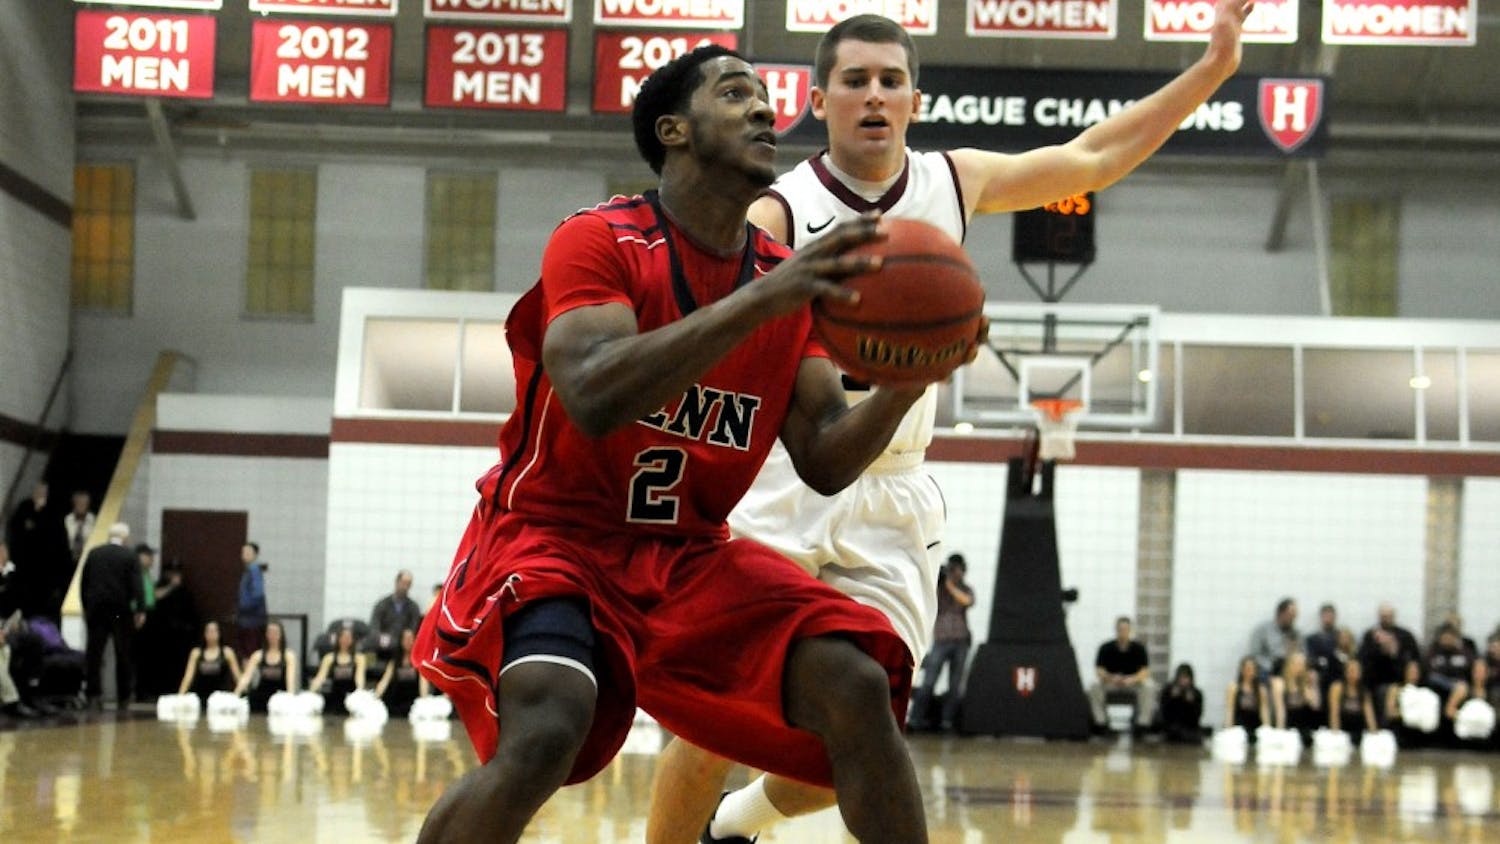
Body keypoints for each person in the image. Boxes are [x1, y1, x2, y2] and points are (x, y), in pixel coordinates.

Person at [651, 2, 1255, 840]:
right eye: (854, 80)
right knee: (708, 721)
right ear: (818, 102)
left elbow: (1094, 156)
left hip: (896, 492)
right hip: (783, 480)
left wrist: (1215, 68)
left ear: (915, 100)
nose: (874, 95)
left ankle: (737, 824)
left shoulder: (953, 182)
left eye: (891, 81)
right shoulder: (777, 214)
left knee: (864, 740)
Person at [411, 44, 965, 844]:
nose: (766, 110)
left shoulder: (782, 277)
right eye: (736, 92)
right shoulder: (599, 239)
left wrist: (913, 378)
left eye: (767, 98)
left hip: (687, 558)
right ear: (673, 129)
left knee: (855, 682)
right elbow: (595, 393)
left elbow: (827, 459)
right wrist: (762, 300)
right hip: (552, 540)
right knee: (547, 729)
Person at [908, 553, 975, 732]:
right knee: (928, 682)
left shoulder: (965, 589)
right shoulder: (938, 590)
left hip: (960, 641)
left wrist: (950, 584)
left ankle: (947, 722)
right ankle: (915, 720)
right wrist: (940, 581)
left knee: (955, 685)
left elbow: (966, 601)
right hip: (941, 641)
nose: (955, 572)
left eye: (957, 569)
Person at [80, 522, 143, 709]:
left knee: (94, 654)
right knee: (123, 653)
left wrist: (86, 607)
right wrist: (140, 609)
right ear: (124, 538)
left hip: (96, 610)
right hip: (119, 611)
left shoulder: (94, 553)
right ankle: (123, 697)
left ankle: (93, 695)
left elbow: (84, 583)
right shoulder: (130, 556)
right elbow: (136, 585)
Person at [1087, 616, 1158, 735]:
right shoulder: (1105, 648)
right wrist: (1111, 678)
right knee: (1094, 686)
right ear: (1116, 629)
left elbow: (1145, 671)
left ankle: (1142, 724)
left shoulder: (1139, 648)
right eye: (1120, 629)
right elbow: (1099, 670)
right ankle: (1101, 723)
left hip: (1132, 683)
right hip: (1111, 683)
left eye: (1126, 629)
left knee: (1149, 686)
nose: (1123, 632)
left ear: (1131, 630)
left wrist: (1133, 679)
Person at [234, 619, 297, 714]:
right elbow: (246, 678)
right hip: (261, 696)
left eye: (276, 632)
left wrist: (290, 698)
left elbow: (290, 680)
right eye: (270, 632)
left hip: (279, 698)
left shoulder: (289, 656)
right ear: (266, 634)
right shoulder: (257, 655)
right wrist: (235, 695)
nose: (273, 635)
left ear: (281, 635)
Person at [1357, 603, 1420, 697]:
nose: (1386, 619)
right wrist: (1380, 650)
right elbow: (1363, 660)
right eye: (1383, 617)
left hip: (1401, 679)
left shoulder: (1405, 635)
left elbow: (1415, 659)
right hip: (1377, 681)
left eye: (1389, 616)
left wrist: (1394, 651)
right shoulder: (1370, 635)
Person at [177, 621, 241, 706]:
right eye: (208, 631)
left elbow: (238, 677)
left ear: (219, 633)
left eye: (214, 631)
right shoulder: (196, 653)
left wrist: (237, 695)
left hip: (220, 699)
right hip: (200, 697)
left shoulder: (227, 653)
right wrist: (179, 697)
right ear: (204, 633)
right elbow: (188, 677)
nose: (211, 634)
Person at [1270, 650, 1322, 746]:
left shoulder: (1308, 683)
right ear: (1289, 665)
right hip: (1288, 726)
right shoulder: (1279, 683)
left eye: (1302, 664)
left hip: (1305, 727)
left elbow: (1316, 706)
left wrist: (1312, 686)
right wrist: (1280, 732)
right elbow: (1280, 711)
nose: (1299, 667)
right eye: (1296, 664)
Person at [310, 625, 365, 716]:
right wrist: (310, 692)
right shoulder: (329, 657)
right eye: (343, 637)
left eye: (348, 637)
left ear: (353, 640)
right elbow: (320, 678)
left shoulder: (359, 658)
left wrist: (360, 693)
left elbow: (359, 678)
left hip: (351, 699)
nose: (345, 640)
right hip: (334, 698)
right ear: (338, 639)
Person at [374, 627, 429, 718]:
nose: (408, 642)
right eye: (405, 639)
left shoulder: (419, 661)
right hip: (395, 701)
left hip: (412, 702)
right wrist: (375, 698)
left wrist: (424, 702)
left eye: (410, 639)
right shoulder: (394, 662)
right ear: (401, 641)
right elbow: (385, 681)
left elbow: (423, 683)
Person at [368, 569, 422, 657]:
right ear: (396, 582)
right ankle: (368, 670)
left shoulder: (413, 607)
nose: (405, 587)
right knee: (368, 647)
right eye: (403, 583)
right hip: (383, 645)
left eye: (408, 584)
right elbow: (374, 626)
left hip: (403, 648)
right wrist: (379, 638)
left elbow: (414, 628)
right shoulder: (382, 604)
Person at [1328, 658, 1378, 744]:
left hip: (1358, 731)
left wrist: (1374, 736)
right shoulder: (1337, 688)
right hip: (1342, 731)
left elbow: (1370, 716)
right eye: (1351, 670)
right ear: (1345, 672)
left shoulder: (1364, 692)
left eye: (1356, 670)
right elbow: (1334, 714)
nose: (1353, 673)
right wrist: (1335, 737)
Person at [1248, 598, 1299, 677]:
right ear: (1280, 613)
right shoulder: (1263, 630)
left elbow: (1302, 654)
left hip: (1290, 669)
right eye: (1290, 616)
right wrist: (1271, 666)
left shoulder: (1296, 633)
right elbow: (1255, 654)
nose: (1293, 620)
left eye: (1294, 616)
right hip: (1269, 669)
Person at [1158, 663, 1204, 744]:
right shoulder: (1168, 690)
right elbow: (1163, 713)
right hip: (1171, 728)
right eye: (1181, 678)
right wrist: (1171, 699)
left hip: (1189, 729)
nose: (1183, 681)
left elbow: (1197, 717)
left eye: (1186, 678)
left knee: (1195, 737)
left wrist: (1191, 703)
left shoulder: (1196, 693)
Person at [1224, 656, 1269, 739]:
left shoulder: (1261, 689)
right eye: (1247, 668)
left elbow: (1264, 711)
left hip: (1255, 727)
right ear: (1242, 670)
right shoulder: (1233, 688)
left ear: (1256, 671)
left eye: (1252, 669)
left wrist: (1266, 730)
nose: (1249, 672)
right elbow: (1229, 710)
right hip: (1238, 729)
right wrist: (1228, 730)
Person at [236, 542, 268, 658]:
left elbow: (258, 595)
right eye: (243, 551)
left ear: (255, 555)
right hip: (246, 619)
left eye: (248, 552)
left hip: (252, 620)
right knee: (246, 654)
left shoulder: (254, 570)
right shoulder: (247, 571)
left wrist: (243, 608)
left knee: (250, 654)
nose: (245, 554)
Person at [1304, 603, 1340, 695]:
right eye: (1325, 615)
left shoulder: (1341, 636)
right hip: (1319, 673)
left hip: (1338, 672)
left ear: (1335, 617)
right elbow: (1310, 658)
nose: (1328, 618)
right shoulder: (1312, 638)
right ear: (1321, 617)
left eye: (1330, 615)